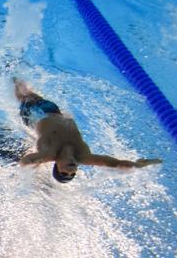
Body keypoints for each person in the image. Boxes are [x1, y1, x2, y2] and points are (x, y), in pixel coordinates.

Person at [14, 77, 161, 182]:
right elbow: (114, 164)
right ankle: (15, 74)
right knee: (28, 91)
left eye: (64, 173)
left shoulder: (49, 154)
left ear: (57, 166)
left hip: (33, 115)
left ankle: (10, 73)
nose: (70, 172)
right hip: (54, 111)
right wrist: (139, 165)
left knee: (24, 94)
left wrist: (30, 166)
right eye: (72, 174)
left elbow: (26, 161)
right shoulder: (83, 156)